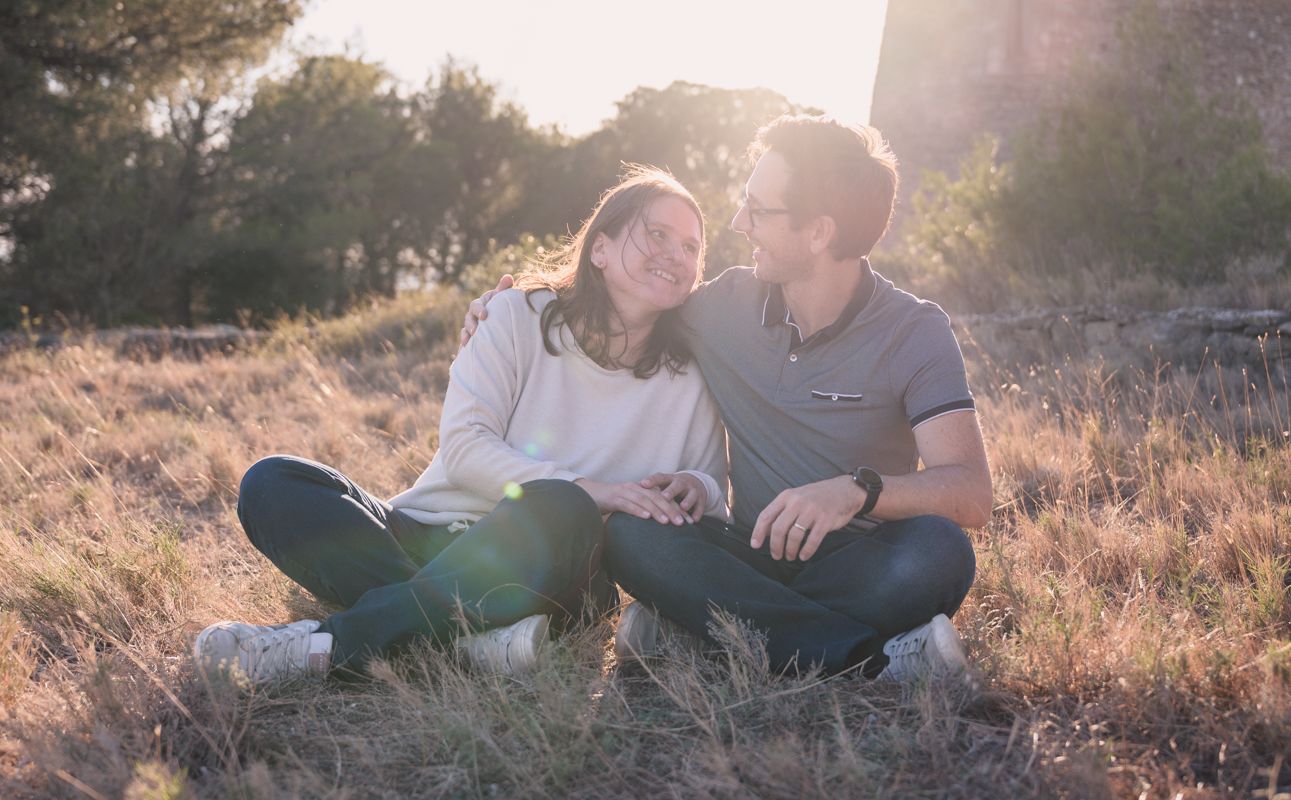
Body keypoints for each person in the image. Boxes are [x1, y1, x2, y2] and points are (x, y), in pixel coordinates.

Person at [464, 116, 993, 680]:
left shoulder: (914, 331)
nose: (740, 223)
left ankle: (708, 633)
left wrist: (855, 492)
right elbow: (617, 301)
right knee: (633, 534)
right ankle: (869, 660)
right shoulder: (721, 307)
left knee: (940, 552)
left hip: (859, 563)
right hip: (746, 553)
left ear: (818, 233)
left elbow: (971, 493)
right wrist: (511, 306)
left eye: (759, 211)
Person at [195, 168, 729, 686]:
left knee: (564, 507)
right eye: (657, 234)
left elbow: (708, 509)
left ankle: (330, 647)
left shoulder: (695, 376)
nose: (675, 254)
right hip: (425, 535)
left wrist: (697, 488)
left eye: (691, 247)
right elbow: (465, 449)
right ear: (600, 249)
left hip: (553, 569)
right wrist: (599, 490)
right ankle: (472, 641)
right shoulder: (516, 315)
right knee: (272, 483)